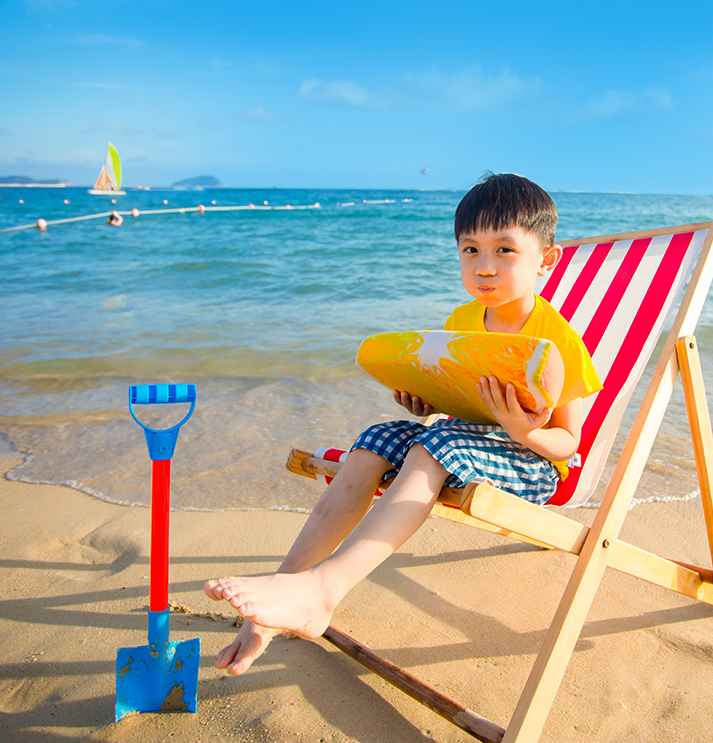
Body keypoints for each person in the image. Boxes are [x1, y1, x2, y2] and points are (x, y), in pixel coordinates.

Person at [204, 173, 602, 675]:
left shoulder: (558, 343)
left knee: (435, 445)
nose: (484, 268)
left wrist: (523, 431)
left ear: (546, 259)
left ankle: (325, 591)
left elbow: (568, 446)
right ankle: (275, 604)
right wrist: (424, 399)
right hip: (463, 438)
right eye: (470, 251)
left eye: (505, 251)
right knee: (375, 440)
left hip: (535, 463)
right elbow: (457, 402)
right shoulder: (462, 319)